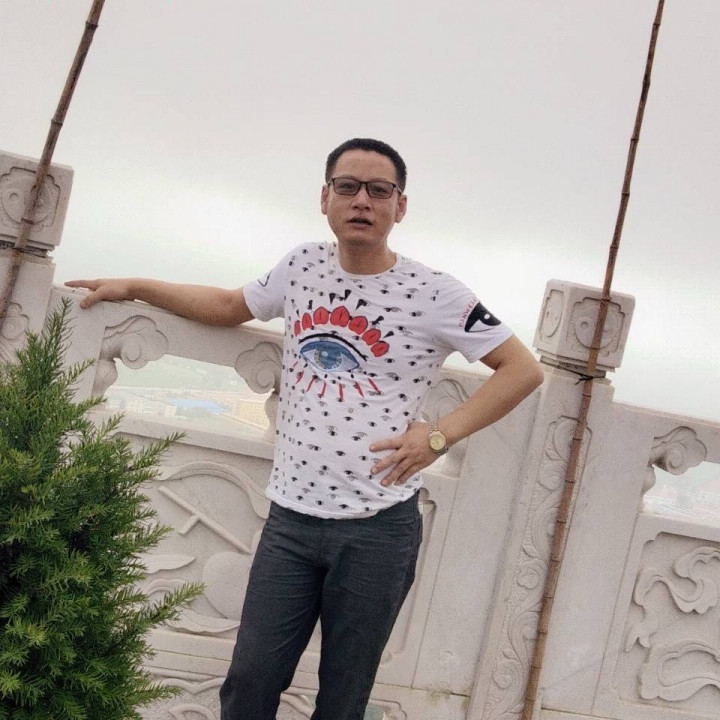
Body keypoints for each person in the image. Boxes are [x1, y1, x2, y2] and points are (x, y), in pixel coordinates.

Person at [67, 138, 544, 720]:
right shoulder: (302, 266)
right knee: (249, 682)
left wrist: (440, 435)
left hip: (377, 529)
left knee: (342, 700)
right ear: (325, 198)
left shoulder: (435, 292)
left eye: (379, 190)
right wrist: (135, 287)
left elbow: (521, 369)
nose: (362, 200)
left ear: (400, 206)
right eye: (348, 187)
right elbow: (229, 305)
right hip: (290, 523)